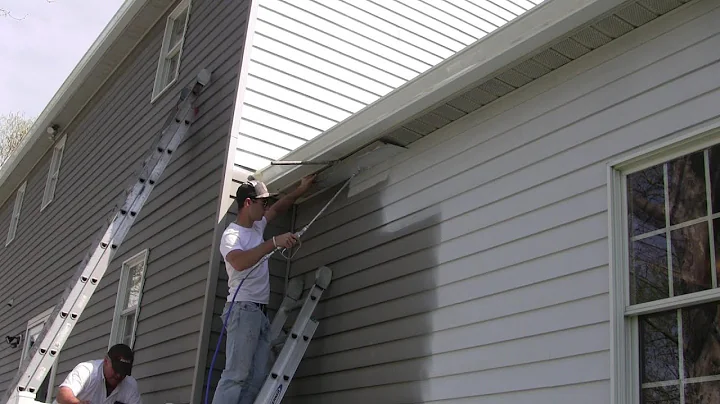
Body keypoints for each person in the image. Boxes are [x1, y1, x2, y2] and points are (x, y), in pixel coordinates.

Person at [212, 175, 315, 404]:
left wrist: (300, 190)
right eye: (262, 203)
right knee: (236, 375)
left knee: (256, 377)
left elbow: (279, 207)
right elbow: (239, 262)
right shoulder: (232, 235)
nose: (266, 207)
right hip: (242, 309)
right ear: (248, 203)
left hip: (259, 312)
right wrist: (273, 243)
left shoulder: (257, 226)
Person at [53, 343, 141, 404]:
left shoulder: (130, 385)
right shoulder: (87, 370)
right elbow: (62, 394)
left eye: (123, 372)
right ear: (106, 361)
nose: (118, 375)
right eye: (116, 370)